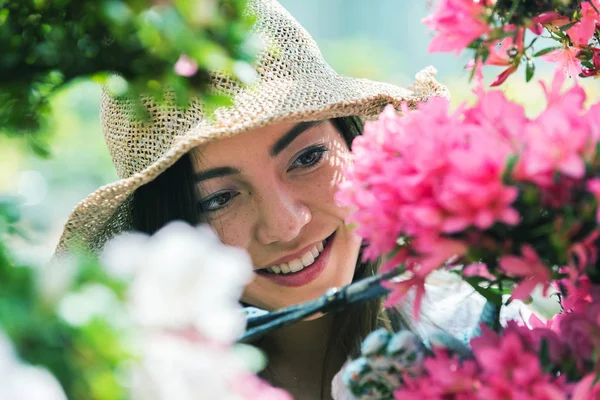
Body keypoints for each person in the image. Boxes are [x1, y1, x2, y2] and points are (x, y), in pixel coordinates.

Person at [54, 0, 482, 398]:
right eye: (219, 199)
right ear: (167, 232)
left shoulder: (478, 335)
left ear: (355, 144)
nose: (286, 224)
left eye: (309, 157)